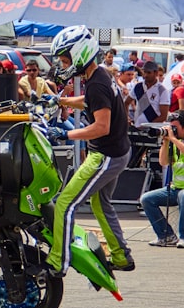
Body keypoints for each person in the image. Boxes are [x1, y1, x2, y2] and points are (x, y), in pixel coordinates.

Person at [47, 25, 135, 275]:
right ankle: (121, 257)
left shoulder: (97, 83)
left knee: (65, 203)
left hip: (106, 154)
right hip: (116, 151)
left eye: (65, 59)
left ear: (80, 54)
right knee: (101, 203)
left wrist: (65, 133)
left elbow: (101, 127)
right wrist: (60, 100)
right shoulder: (101, 75)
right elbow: (90, 102)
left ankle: (57, 263)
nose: (63, 65)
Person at [140, 111, 184, 248]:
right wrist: (166, 141)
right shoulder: (176, 141)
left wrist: (173, 139)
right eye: (170, 127)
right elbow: (163, 162)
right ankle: (166, 236)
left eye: (175, 128)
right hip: (177, 188)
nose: (172, 131)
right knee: (147, 199)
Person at [125, 60, 170, 127]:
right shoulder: (138, 87)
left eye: (149, 73)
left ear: (156, 73)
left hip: (152, 130)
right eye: (144, 72)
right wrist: (127, 118)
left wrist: (147, 127)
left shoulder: (162, 91)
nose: (145, 75)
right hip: (136, 127)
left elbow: (163, 116)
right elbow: (126, 103)